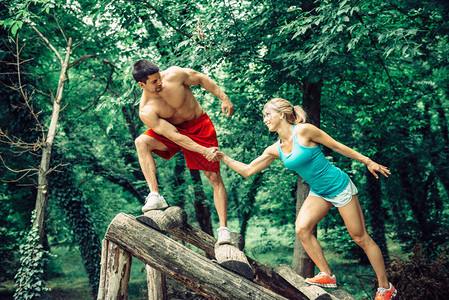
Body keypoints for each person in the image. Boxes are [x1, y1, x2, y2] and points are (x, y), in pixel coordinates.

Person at [215, 98, 397, 300]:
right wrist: (223, 157)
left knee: (360, 238)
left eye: (268, 114)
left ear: (281, 114)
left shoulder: (303, 131)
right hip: (319, 192)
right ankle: (327, 275)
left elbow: (337, 146)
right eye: (264, 116)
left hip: (339, 186)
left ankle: (385, 287)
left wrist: (368, 161)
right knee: (302, 229)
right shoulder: (275, 149)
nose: (264, 119)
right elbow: (248, 170)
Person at [132, 59, 234, 245]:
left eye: (159, 77)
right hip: (174, 131)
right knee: (142, 142)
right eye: (154, 82)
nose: (160, 83)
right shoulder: (146, 110)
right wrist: (203, 151)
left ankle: (224, 230)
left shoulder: (175, 75)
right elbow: (175, 136)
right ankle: (155, 195)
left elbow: (201, 78)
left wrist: (224, 98)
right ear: (141, 84)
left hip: (199, 126)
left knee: (214, 178)